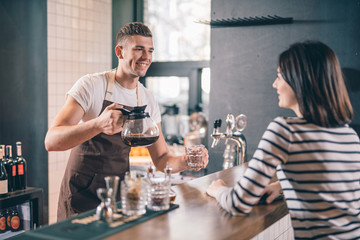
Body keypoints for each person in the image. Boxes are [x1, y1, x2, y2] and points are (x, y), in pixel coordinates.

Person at [45, 22, 209, 221]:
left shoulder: (147, 99)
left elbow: (162, 158)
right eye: (139, 49)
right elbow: (52, 141)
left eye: (150, 51)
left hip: (120, 196)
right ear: (120, 52)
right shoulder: (91, 85)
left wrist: (187, 161)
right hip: (81, 196)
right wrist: (97, 124)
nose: (146, 57)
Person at [206, 41, 360, 239]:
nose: (275, 84)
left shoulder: (285, 130)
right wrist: (280, 186)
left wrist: (217, 189)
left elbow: (239, 203)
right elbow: (329, 180)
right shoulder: (348, 134)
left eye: (279, 76)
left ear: (300, 80)